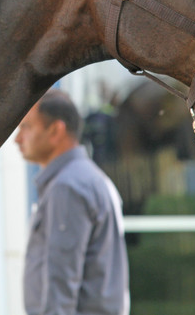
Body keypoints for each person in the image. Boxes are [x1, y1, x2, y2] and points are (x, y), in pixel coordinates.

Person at [16, 89, 130, 315]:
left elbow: (61, 282)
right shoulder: (87, 177)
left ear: (56, 130)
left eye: (27, 127)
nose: (17, 139)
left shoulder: (67, 187)